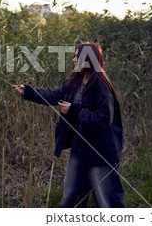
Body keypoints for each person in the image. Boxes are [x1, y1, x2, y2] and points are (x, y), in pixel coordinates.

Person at [12, 42, 125, 208]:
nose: (73, 60)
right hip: (79, 149)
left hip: (100, 153)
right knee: (71, 197)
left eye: (77, 56)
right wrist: (29, 92)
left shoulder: (102, 87)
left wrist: (74, 110)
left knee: (108, 202)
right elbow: (54, 95)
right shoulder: (73, 82)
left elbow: (103, 119)